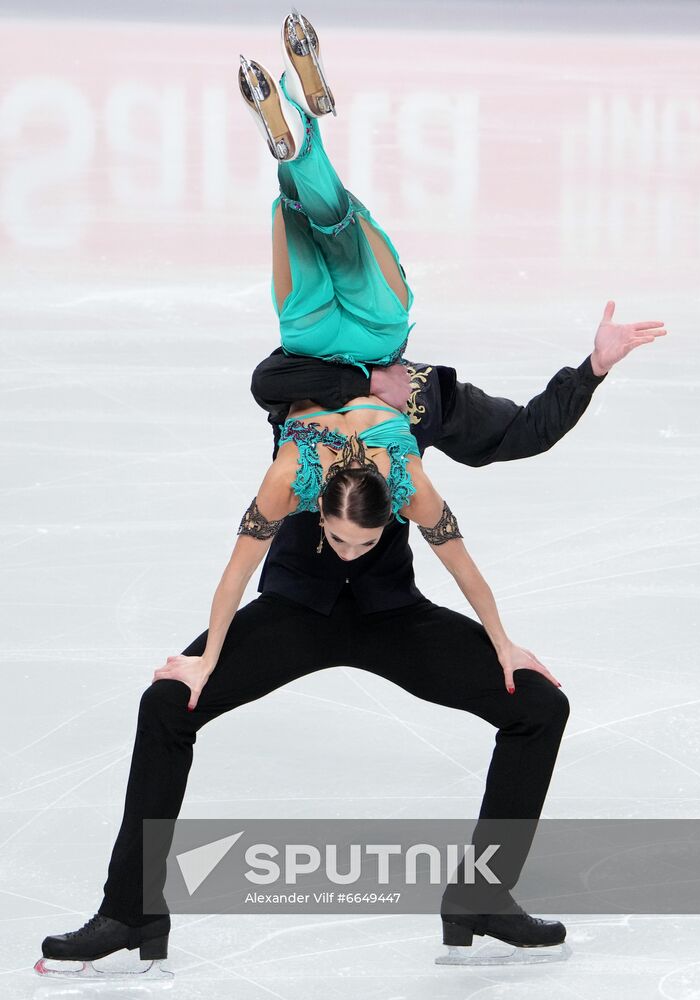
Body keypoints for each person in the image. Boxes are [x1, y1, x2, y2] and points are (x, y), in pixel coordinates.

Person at [36, 10, 667, 977]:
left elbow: (513, 455)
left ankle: (482, 896)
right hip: (289, 612)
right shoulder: (302, 426)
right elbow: (269, 393)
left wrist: (592, 367)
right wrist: (201, 658)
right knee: (166, 702)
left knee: (539, 703)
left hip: (388, 618)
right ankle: (135, 914)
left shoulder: (423, 415)